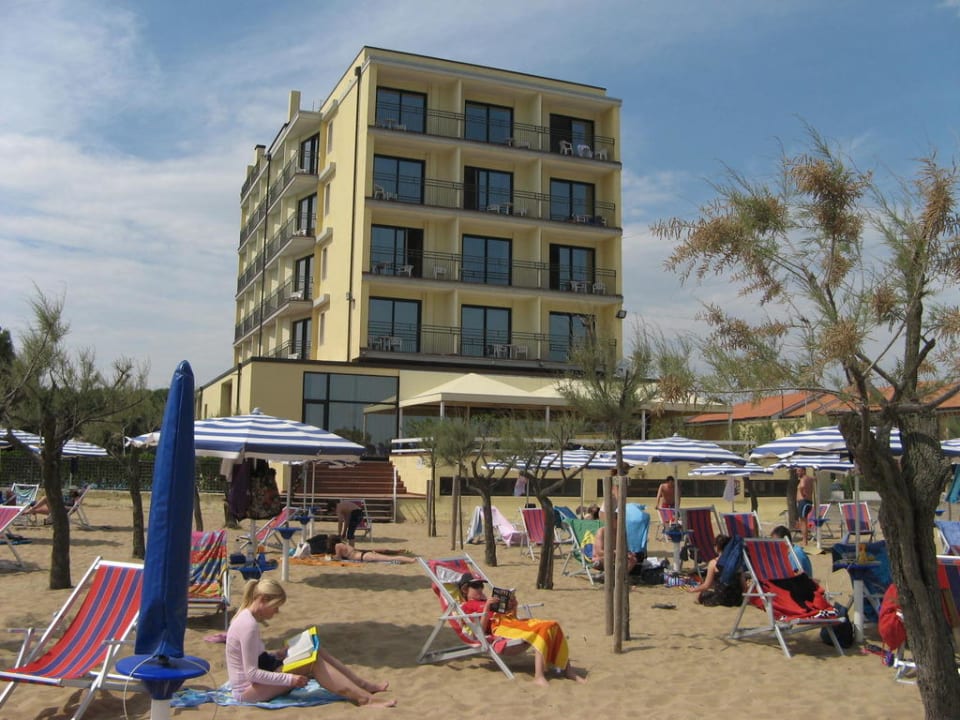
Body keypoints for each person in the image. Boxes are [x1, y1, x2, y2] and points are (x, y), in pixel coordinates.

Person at [225, 577, 396, 707]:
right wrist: (290, 679)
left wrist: (278, 654)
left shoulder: (247, 618)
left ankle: (363, 685)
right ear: (262, 600)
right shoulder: (248, 625)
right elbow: (251, 674)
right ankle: (364, 699)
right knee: (312, 663)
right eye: (275, 607)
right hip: (248, 692)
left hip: (262, 675)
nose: (276, 612)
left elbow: (254, 657)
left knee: (314, 648)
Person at [458, 573, 586, 686]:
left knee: (553, 625)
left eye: (481, 585)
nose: (480, 588)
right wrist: (486, 608)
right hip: (499, 628)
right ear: (465, 589)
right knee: (541, 629)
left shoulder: (488, 600)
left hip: (511, 622)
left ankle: (569, 671)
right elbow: (479, 629)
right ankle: (538, 676)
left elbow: (511, 616)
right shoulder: (466, 607)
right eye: (476, 586)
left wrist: (513, 606)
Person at [684, 534, 744, 606]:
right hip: (737, 599)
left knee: (701, 595)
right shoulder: (736, 562)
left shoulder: (713, 563)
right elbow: (744, 585)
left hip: (722, 597)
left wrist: (693, 590)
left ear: (717, 547)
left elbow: (706, 585)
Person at [326, 536, 417, 564]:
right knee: (388, 557)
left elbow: (338, 558)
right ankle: (411, 560)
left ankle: (412, 560)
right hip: (364, 554)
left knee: (389, 559)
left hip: (364, 556)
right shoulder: (344, 544)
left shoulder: (337, 546)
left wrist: (330, 558)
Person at [796, 468, 815, 544]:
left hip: (803, 502)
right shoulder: (809, 478)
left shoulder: (803, 479)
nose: (797, 472)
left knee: (803, 522)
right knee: (804, 521)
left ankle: (804, 541)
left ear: (804, 471)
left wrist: (802, 492)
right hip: (808, 502)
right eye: (797, 471)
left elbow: (802, 486)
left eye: (799, 471)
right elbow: (815, 478)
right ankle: (805, 540)